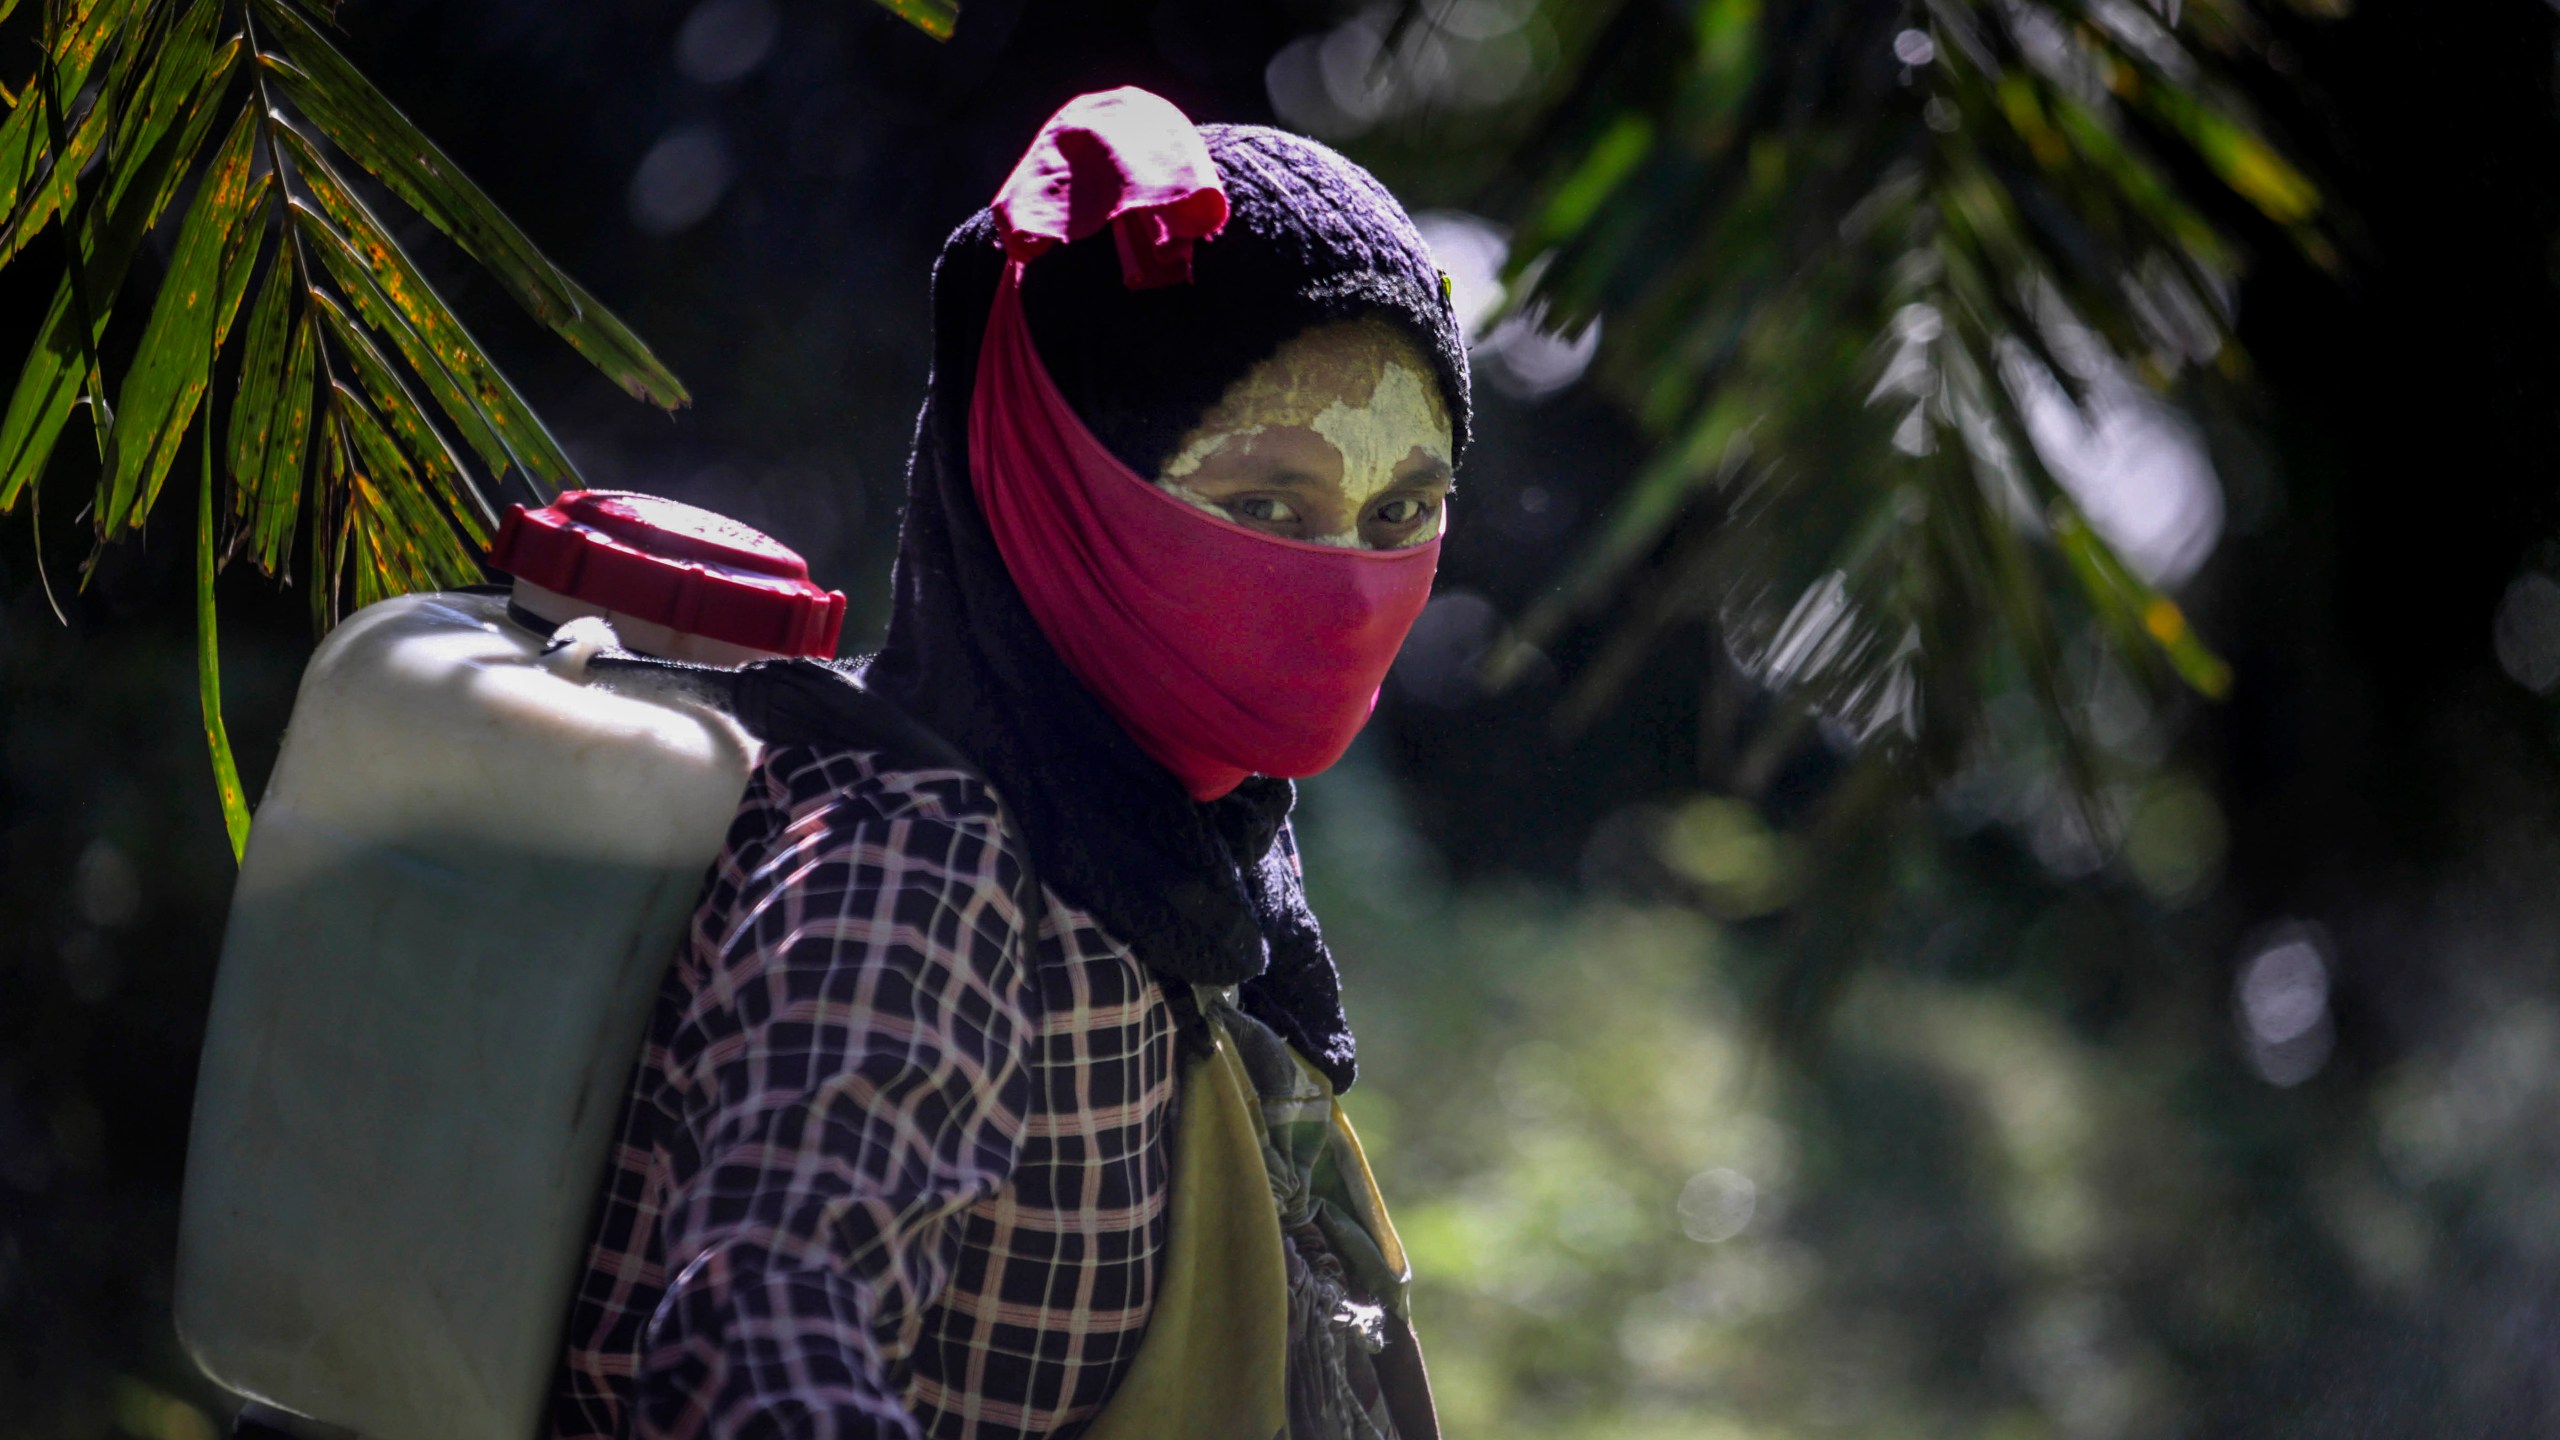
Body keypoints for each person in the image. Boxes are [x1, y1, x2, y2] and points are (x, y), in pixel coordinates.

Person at [549, 87, 1471, 1440]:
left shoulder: (1184, 833)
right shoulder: (915, 866)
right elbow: (763, 1307)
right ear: (1054, 477)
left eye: (1401, 513)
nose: (1344, 588)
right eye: (1265, 507)